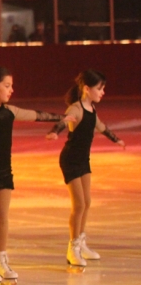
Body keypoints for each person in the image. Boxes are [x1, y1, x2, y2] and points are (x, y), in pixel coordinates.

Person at [0, 66, 60, 283]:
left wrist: (63, 117)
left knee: (3, 218)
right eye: (7, 86)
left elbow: (37, 115)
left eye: (11, 86)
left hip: (4, 170)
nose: (11, 90)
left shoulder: (10, 111)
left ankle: (1, 260)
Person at [46, 70, 126, 266]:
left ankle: (81, 243)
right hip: (70, 160)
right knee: (79, 204)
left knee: (87, 202)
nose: (103, 92)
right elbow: (64, 120)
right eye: (100, 88)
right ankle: (72, 248)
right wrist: (54, 132)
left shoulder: (91, 109)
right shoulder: (76, 109)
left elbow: (101, 126)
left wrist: (116, 139)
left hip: (83, 160)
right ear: (87, 89)